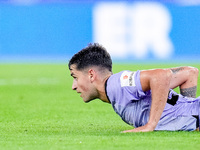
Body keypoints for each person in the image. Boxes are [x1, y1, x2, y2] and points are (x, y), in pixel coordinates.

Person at [68, 43, 200, 132]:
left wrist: (150, 125)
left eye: (75, 77)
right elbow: (189, 72)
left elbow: (161, 76)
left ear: (91, 74)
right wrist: (189, 111)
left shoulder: (117, 84)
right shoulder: (114, 91)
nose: (73, 86)